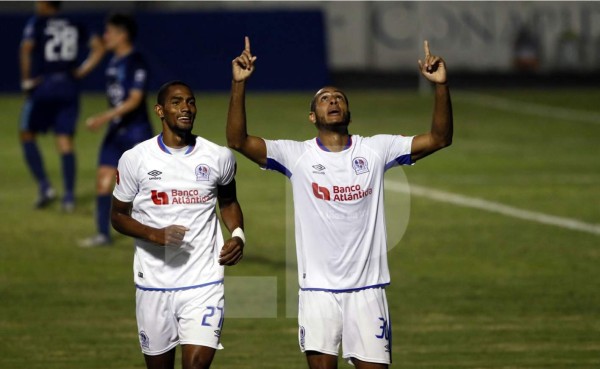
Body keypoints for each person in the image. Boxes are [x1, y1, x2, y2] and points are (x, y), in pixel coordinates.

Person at [226, 37, 453, 369]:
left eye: (339, 98)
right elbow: (238, 140)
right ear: (311, 116)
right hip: (318, 291)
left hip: (368, 290)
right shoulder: (297, 155)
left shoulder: (376, 149)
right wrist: (238, 84)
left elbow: (439, 138)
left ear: (349, 111)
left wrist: (441, 87)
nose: (332, 101)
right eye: (324, 99)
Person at [111, 80, 245, 369]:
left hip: (203, 282)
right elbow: (118, 216)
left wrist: (237, 234)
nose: (186, 108)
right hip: (154, 285)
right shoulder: (136, 159)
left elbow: (229, 202)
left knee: (196, 365)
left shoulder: (218, 156)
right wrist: (153, 234)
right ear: (160, 110)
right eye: (176, 102)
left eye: (190, 101)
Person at [19, 1, 105, 211]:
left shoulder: (38, 22)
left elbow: (26, 49)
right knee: (64, 140)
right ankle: (68, 197)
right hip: (69, 85)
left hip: (45, 85)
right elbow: (99, 47)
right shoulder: (74, 22)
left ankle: (45, 186)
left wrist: (26, 80)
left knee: (26, 133)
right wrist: (82, 71)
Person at [79, 13, 154, 247]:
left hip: (136, 132)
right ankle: (103, 234)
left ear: (123, 35)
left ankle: (148, 232)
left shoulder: (136, 62)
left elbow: (134, 100)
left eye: (109, 32)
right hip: (116, 132)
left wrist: (103, 117)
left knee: (143, 187)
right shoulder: (113, 61)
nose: (105, 36)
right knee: (103, 180)